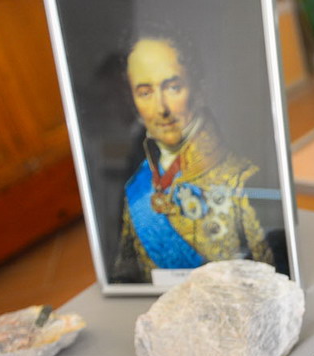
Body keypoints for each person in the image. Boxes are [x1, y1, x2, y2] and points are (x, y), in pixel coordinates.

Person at [113, 31, 276, 283]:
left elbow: (272, 283)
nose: (161, 108)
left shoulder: (243, 180)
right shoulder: (137, 189)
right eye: (145, 92)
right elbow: (127, 278)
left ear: (200, 90)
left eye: (173, 87)